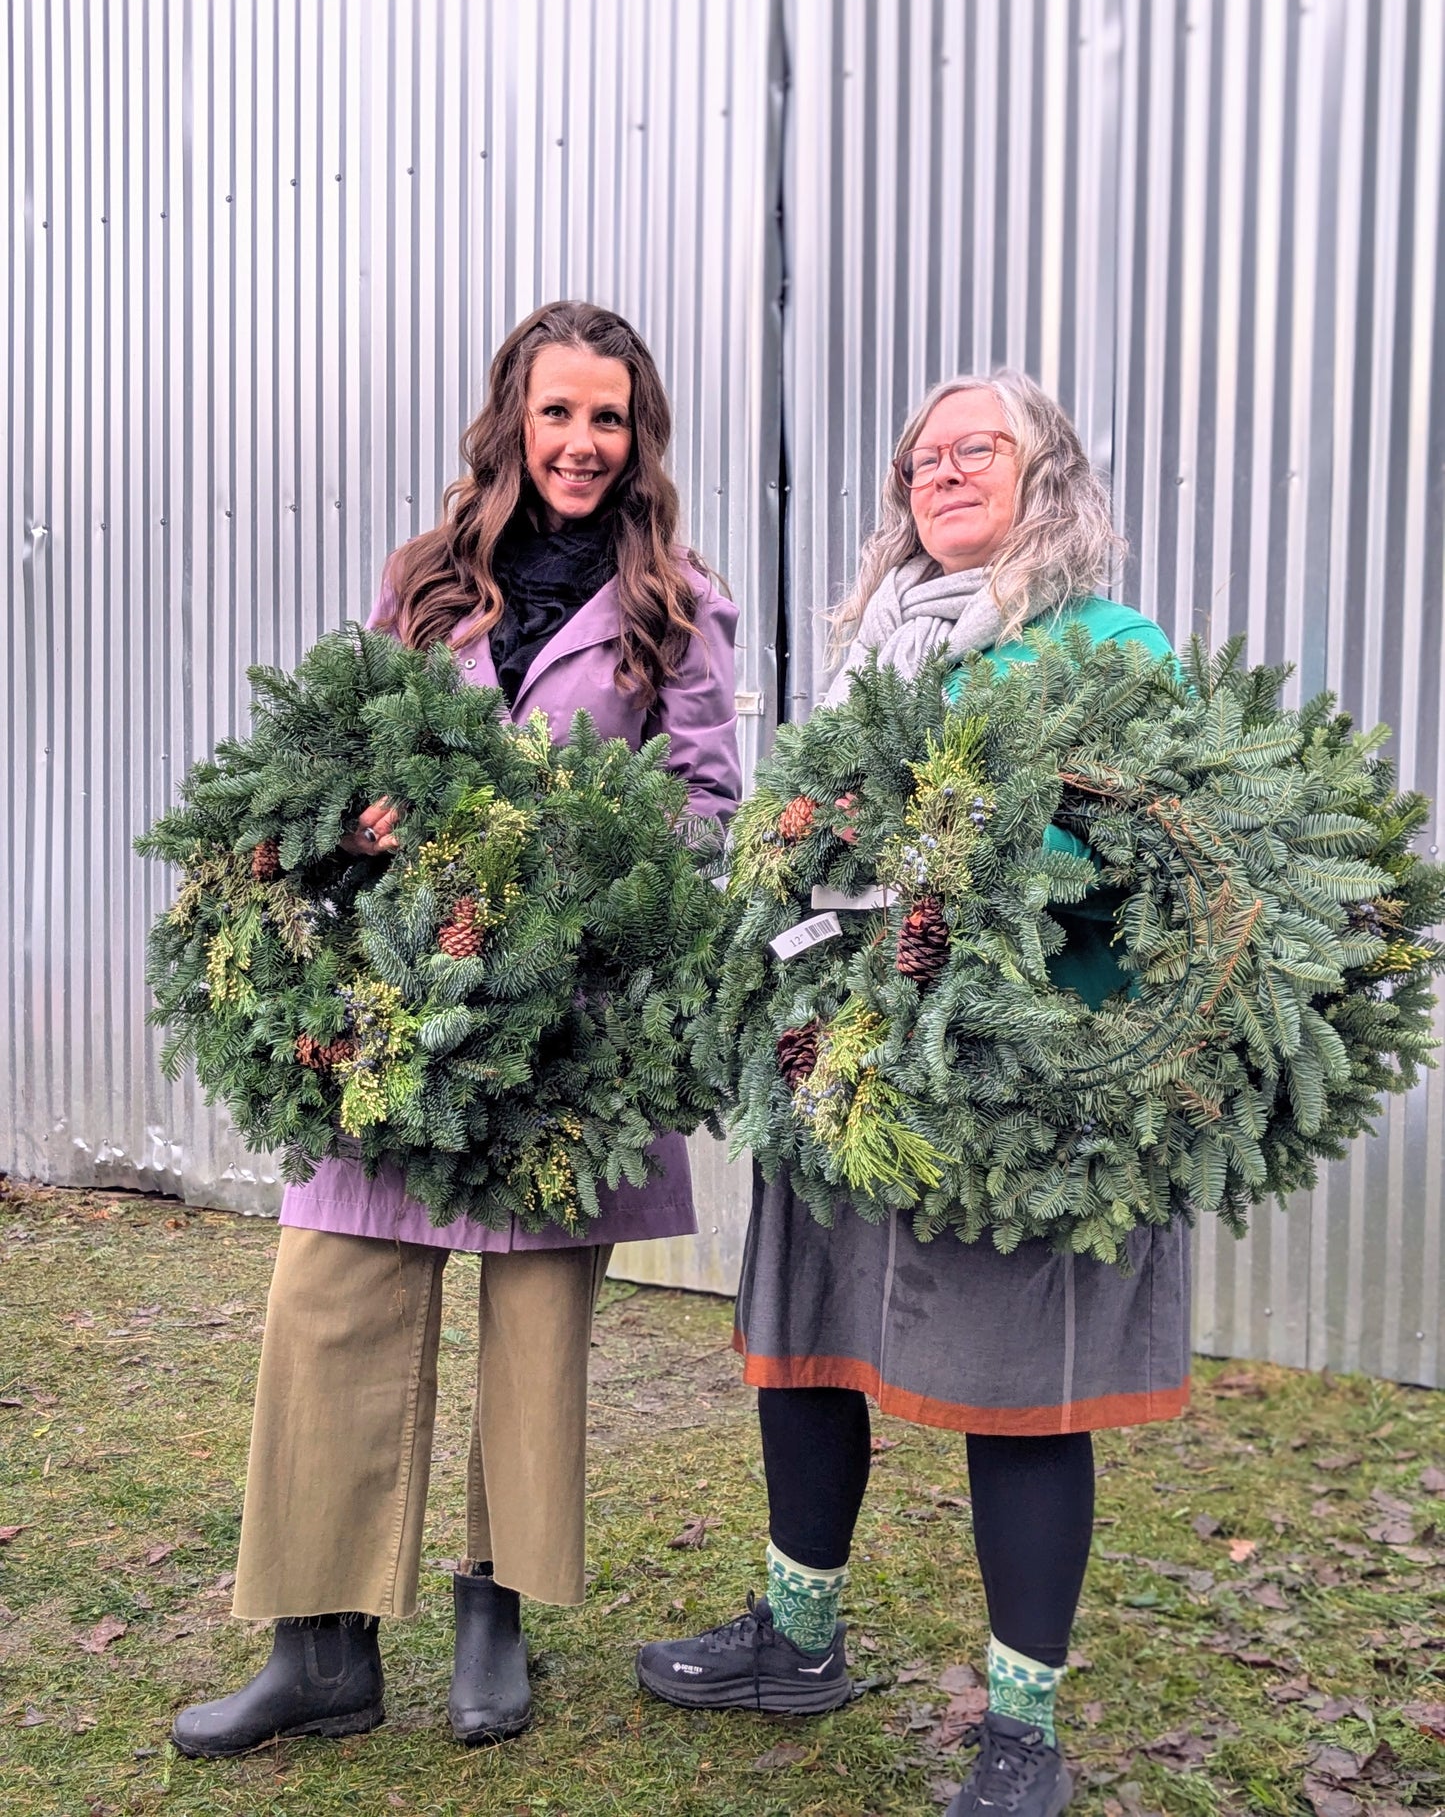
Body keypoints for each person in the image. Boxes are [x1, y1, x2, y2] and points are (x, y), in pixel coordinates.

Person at [173, 301, 741, 1759]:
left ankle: (495, 1608)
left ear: (638, 435)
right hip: (393, 1015)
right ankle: (320, 1644)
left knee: (536, 1325)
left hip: (567, 1027)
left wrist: (589, 885)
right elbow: (352, 748)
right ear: (510, 420)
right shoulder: (424, 585)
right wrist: (360, 826)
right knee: (331, 1298)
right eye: (556, 413)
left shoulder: (676, 600)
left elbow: (707, 809)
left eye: (607, 417)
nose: (580, 442)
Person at [636, 370, 1186, 1817]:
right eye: (918, 460)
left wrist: (976, 871)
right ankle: (795, 1642)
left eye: (974, 450)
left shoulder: (1106, 647)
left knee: (1022, 1401)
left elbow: (1149, 861)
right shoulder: (874, 654)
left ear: (1044, 474)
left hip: (1021, 1085)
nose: (938, 475)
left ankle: (1022, 1732)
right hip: (849, 1061)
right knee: (805, 1347)